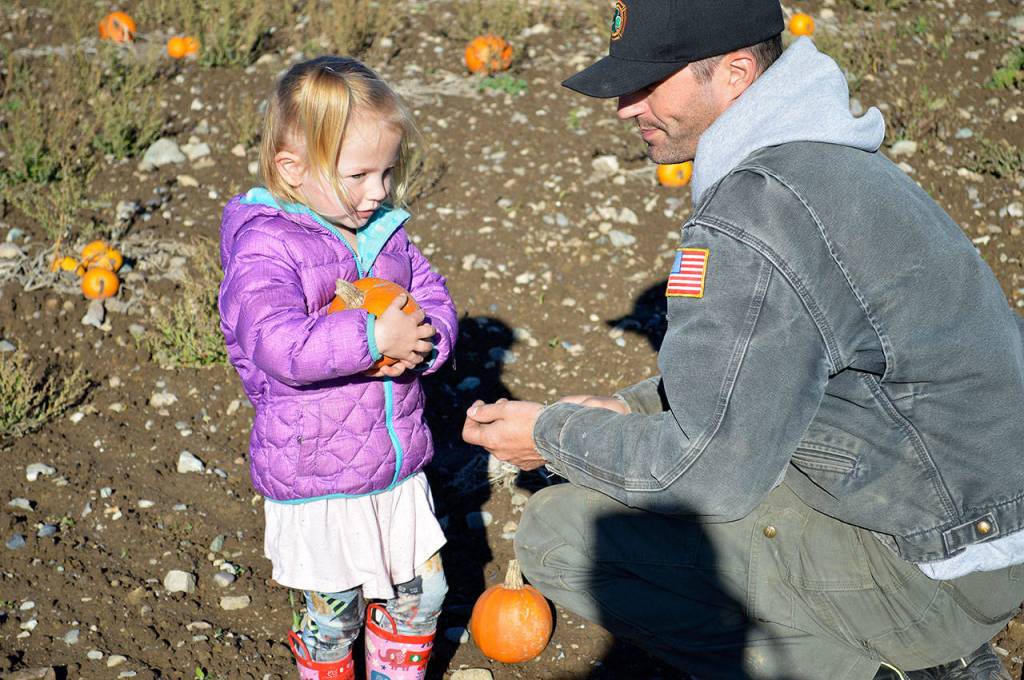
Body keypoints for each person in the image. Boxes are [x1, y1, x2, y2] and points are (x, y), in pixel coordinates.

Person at [462, 1, 1024, 678]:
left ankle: (901, 666)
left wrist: (551, 435)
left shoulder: (754, 217)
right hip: (981, 524)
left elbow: (711, 474)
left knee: (561, 532)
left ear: (733, 72)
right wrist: (636, 409)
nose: (624, 108)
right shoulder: (827, 162)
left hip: (934, 570)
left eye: (648, 84)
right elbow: (776, 366)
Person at [218, 55, 457, 680]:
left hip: (396, 464)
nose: (378, 192)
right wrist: (372, 334)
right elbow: (278, 345)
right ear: (292, 169)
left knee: (423, 596)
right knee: (335, 616)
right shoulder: (266, 247)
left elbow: (432, 296)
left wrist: (427, 344)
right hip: (317, 469)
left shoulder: (383, 232)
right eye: (359, 175)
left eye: (387, 172)